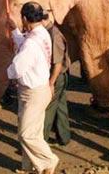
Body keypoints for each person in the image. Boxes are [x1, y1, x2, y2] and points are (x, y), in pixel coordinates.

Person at [7, 2, 59, 174]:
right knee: (33, 132)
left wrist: (6, 72)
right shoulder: (41, 33)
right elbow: (26, 43)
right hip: (38, 89)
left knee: (26, 133)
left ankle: (49, 160)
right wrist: (15, 31)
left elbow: (17, 68)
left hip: (33, 93)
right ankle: (30, 167)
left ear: (24, 18)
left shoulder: (31, 43)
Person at [43, 16, 71, 146]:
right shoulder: (49, 32)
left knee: (48, 107)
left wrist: (51, 83)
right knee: (60, 106)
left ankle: (41, 141)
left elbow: (58, 64)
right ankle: (64, 137)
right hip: (59, 76)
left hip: (57, 76)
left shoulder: (54, 35)